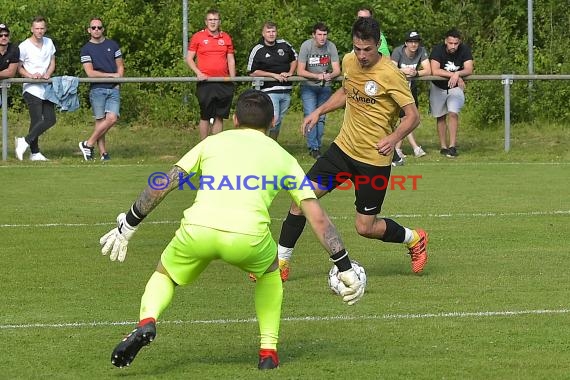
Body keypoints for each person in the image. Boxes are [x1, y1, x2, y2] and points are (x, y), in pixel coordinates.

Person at [101, 89, 364, 370]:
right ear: (273, 121)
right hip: (248, 238)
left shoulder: (212, 143)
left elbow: (165, 182)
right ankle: (268, 352)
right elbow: (317, 217)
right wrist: (344, 265)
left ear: (235, 119)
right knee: (270, 273)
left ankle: (147, 322)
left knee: (164, 274)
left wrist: (128, 225)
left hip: (198, 231)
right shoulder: (284, 158)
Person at [275, 17, 428, 282]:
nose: (361, 55)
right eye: (357, 48)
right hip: (342, 151)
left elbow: (413, 116)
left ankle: (414, 239)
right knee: (301, 199)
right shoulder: (348, 62)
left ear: (377, 44)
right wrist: (318, 111)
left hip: (373, 160)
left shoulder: (391, 74)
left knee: (365, 227)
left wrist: (393, 138)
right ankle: (280, 263)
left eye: (367, 49)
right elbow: (346, 92)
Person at [186, 8, 236, 140]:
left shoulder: (225, 37)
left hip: (223, 81)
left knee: (220, 115)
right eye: (210, 20)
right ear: (206, 22)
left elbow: (230, 59)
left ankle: (216, 146)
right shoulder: (198, 37)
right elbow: (189, 58)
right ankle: (203, 146)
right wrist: (198, 73)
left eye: (215, 19)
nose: (213, 22)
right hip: (206, 82)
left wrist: (232, 78)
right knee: (205, 115)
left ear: (219, 21)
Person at [78, 18, 124, 161]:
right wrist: (112, 76)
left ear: (103, 29)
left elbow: (120, 66)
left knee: (112, 118)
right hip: (97, 89)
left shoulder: (113, 45)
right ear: (89, 30)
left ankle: (88, 144)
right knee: (100, 122)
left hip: (113, 89)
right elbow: (90, 73)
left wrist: (118, 81)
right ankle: (103, 154)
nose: (96, 30)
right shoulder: (86, 49)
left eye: (99, 27)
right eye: (93, 28)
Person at [297, 22, 341, 159]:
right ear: (313, 35)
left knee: (321, 117)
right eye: (319, 34)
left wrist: (329, 75)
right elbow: (300, 71)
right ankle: (313, 148)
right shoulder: (306, 46)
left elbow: (337, 70)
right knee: (311, 115)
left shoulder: (331, 46)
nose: (322, 37)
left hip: (325, 87)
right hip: (309, 86)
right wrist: (317, 76)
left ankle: (318, 145)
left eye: (325, 34)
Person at [247, 21, 297, 140]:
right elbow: (252, 71)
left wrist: (290, 72)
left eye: (273, 31)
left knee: (278, 121)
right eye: (268, 32)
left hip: (286, 90)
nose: (271, 34)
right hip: (269, 90)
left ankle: (273, 143)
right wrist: (273, 75)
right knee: (273, 118)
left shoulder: (284, 44)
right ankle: (263, 142)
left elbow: (295, 59)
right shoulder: (258, 49)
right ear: (263, 34)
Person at [15, 16, 56, 161]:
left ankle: (24, 142)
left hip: (46, 87)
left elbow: (52, 62)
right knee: (37, 119)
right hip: (31, 87)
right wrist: (31, 75)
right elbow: (19, 68)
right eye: (37, 28)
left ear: (45, 29)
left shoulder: (49, 42)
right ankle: (35, 152)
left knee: (50, 119)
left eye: (42, 28)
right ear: (32, 29)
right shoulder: (24, 46)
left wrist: (47, 74)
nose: (39, 31)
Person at [429, 28, 473, 158]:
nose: (453, 46)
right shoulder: (438, 50)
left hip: (455, 87)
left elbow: (469, 69)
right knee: (441, 116)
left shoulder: (464, 50)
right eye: (451, 43)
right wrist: (454, 75)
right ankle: (443, 146)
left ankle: (452, 146)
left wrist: (458, 74)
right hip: (438, 87)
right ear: (446, 41)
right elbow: (435, 70)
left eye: (456, 43)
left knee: (453, 113)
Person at [390, 30, 431, 163]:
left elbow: (428, 70)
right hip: (397, 89)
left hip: (411, 88)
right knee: (405, 118)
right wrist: (404, 71)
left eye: (416, 42)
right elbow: (391, 69)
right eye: (411, 42)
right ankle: (414, 147)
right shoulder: (398, 51)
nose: (414, 44)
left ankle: (397, 148)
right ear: (405, 43)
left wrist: (416, 73)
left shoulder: (422, 51)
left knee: (410, 118)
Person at [0, 23, 20, 88]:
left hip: (3, 87)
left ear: (9, 36)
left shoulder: (14, 49)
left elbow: (11, 73)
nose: (3, 37)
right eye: (0, 35)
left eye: (6, 35)